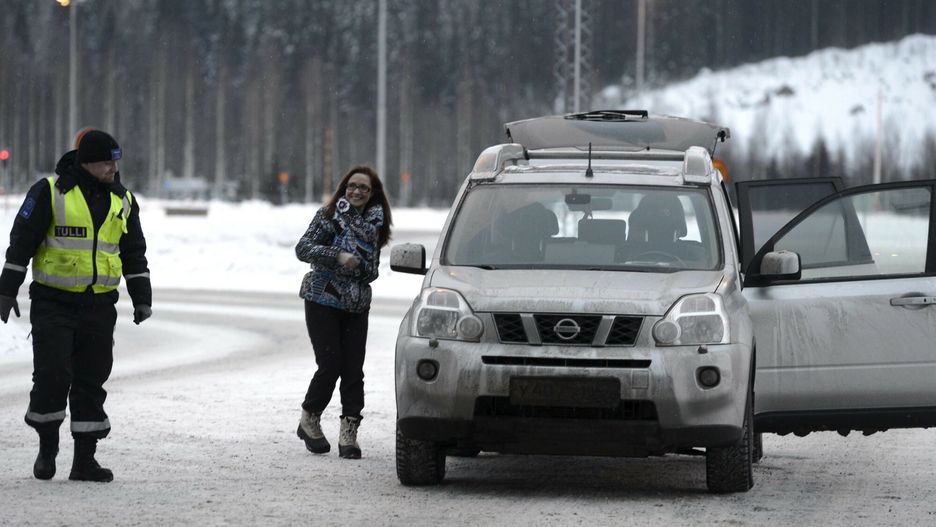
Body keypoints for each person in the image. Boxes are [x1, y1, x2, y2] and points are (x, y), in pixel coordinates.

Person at [0, 129, 152, 482]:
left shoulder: (123, 200)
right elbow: (22, 242)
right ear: (87, 163)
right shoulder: (50, 192)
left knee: (91, 379)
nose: (114, 169)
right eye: (107, 163)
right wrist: (7, 290)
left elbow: (134, 252)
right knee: (53, 375)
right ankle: (47, 446)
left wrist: (142, 296)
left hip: (99, 306)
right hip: (53, 303)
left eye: (116, 162)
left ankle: (84, 460)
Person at [294, 165, 391, 459]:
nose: (356, 192)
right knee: (330, 363)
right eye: (352, 186)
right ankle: (310, 417)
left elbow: (372, 270)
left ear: (373, 194)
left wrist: (360, 267)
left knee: (353, 370)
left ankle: (349, 434)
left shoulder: (375, 225)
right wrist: (337, 255)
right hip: (322, 297)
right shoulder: (329, 216)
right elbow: (303, 248)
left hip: (357, 303)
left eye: (363, 188)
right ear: (344, 188)